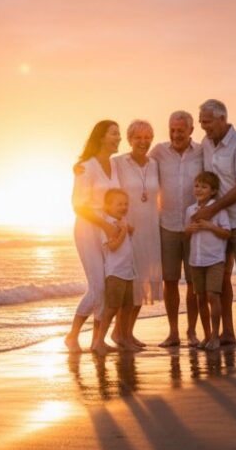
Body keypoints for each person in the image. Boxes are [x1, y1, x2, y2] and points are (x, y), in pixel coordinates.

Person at [194, 99, 236, 350]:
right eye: (201, 122)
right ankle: (228, 332)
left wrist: (212, 208)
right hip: (218, 220)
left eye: (207, 122)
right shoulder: (206, 144)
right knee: (221, 277)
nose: (204, 127)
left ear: (222, 119)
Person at [64, 120, 121, 353]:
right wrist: (104, 226)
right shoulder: (86, 167)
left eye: (119, 134)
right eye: (114, 134)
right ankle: (72, 335)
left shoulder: (115, 165)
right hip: (89, 227)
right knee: (97, 286)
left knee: (109, 285)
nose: (119, 138)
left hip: (110, 227)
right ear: (101, 138)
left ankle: (98, 340)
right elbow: (78, 205)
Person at [149, 111, 204, 347]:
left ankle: (191, 332)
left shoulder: (202, 152)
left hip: (194, 226)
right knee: (170, 281)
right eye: (172, 129)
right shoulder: (159, 152)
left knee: (194, 282)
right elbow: (136, 164)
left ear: (191, 130)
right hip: (167, 225)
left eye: (181, 130)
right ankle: (173, 333)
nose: (176, 134)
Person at [114, 120, 162, 347]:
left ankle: (127, 333)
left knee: (141, 283)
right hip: (128, 230)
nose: (143, 142)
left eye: (147, 137)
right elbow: (103, 181)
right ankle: (119, 334)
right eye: (138, 137)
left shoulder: (155, 164)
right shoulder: (118, 163)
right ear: (129, 139)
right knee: (127, 285)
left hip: (150, 230)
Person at [184, 171, 231, 351]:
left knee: (213, 295)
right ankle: (205, 336)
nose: (199, 189)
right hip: (196, 260)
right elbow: (185, 233)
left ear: (213, 191)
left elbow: (227, 233)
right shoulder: (190, 210)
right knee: (200, 298)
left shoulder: (219, 209)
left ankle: (215, 336)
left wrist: (210, 226)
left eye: (204, 186)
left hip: (214, 259)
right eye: (196, 185)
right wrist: (190, 229)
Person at [92, 189, 140, 356]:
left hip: (128, 271)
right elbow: (112, 247)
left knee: (128, 307)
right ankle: (99, 342)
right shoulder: (108, 224)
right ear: (108, 206)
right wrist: (124, 231)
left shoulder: (122, 221)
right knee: (112, 308)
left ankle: (124, 338)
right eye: (119, 204)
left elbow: (127, 238)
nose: (123, 207)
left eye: (126, 204)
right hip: (115, 273)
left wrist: (128, 229)